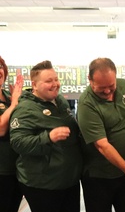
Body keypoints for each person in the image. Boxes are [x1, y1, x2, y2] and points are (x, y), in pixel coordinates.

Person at [9, 60, 82, 212]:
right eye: (49, 81)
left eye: (56, 79)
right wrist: (48, 137)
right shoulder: (25, 109)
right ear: (34, 85)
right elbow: (17, 142)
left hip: (68, 180)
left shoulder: (60, 101)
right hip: (43, 184)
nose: (55, 84)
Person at [77, 57, 125, 212]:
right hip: (99, 176)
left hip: (123, 172)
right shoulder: (86, 104)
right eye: (101, 87)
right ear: (90, 80)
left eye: (111, 86)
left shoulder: (124, 86)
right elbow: (102, 145)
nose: (107, 91)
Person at [0, 56, 24, 212]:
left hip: (15, 169)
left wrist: (17, 101)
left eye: (0, 66)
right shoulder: (11, 100)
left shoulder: (7, 96)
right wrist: (15, 103)